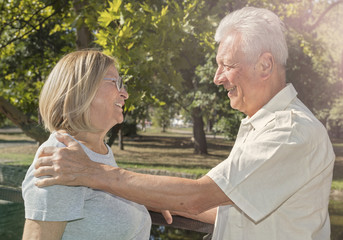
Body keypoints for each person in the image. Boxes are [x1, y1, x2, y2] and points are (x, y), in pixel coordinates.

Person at [34, 7, 335, 240]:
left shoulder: (289, 132)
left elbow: (197, 197)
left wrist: (91, 172)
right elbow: (234, 211)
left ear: (265, 65)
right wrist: (151, 194)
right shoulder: (262, 125)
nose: (217, 77)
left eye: (227, 65)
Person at [21, 50, 154, 240]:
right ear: (82, 89)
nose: (125, 93)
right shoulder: (60, 156)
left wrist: (148, 198)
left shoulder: (97, 151)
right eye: (115, 83)